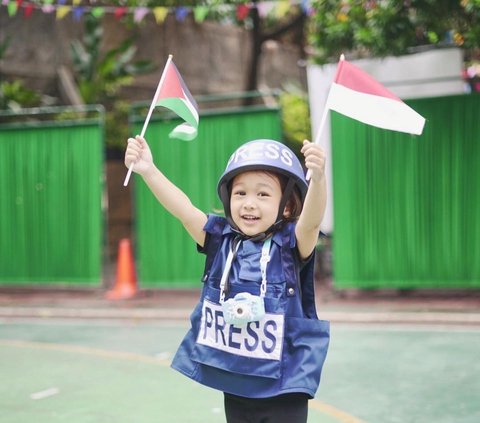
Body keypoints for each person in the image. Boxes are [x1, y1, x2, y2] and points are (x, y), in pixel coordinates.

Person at [125, 136, 330, 423]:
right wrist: (148, 170)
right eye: (240, 193)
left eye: (263, 195)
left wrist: (318, 179)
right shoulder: (220, 240)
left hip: (285, 388)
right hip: (235, 383)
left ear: (286, 206)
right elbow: (184, 211)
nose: (249, 203)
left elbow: (311, 222)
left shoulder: (291, 244)